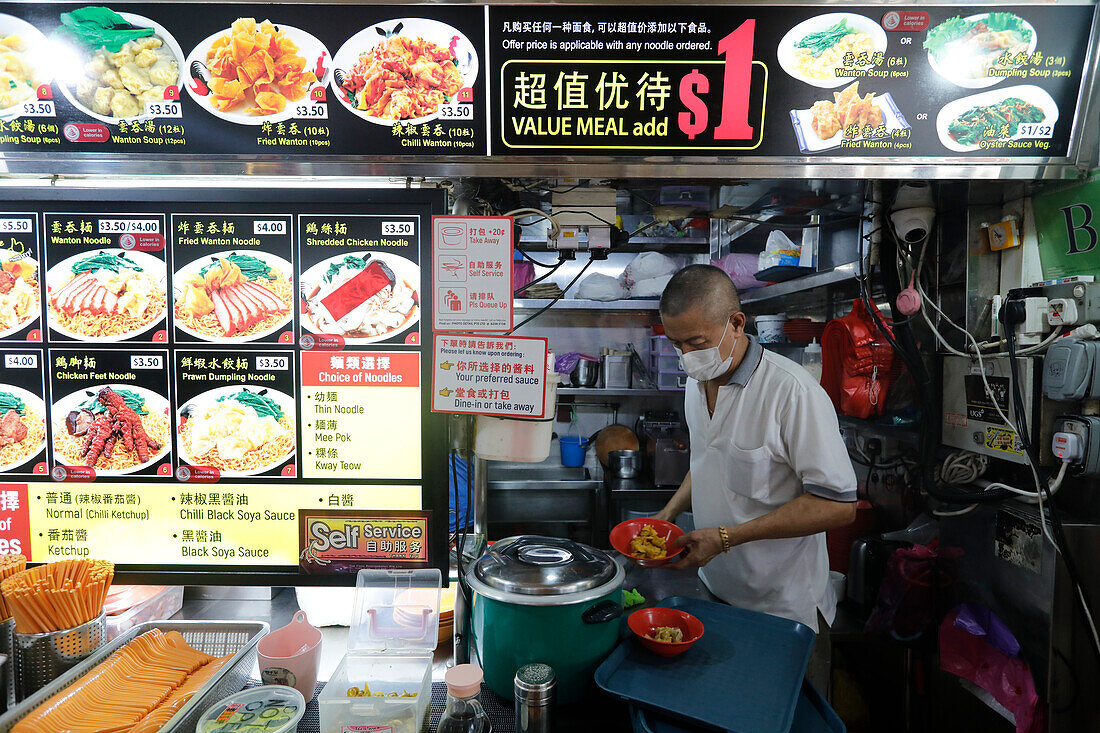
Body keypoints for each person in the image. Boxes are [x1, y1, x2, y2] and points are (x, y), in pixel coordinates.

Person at [653, 265, 856, 685]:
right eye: (676, 344)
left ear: (736, 322)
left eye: (696, 342)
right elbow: (710, 460)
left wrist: (726, 538)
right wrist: (668, 513)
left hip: (782, 612)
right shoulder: (698, 381)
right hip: (715, 591)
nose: (687, 356)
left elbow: (838, 506)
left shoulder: (791, 393)